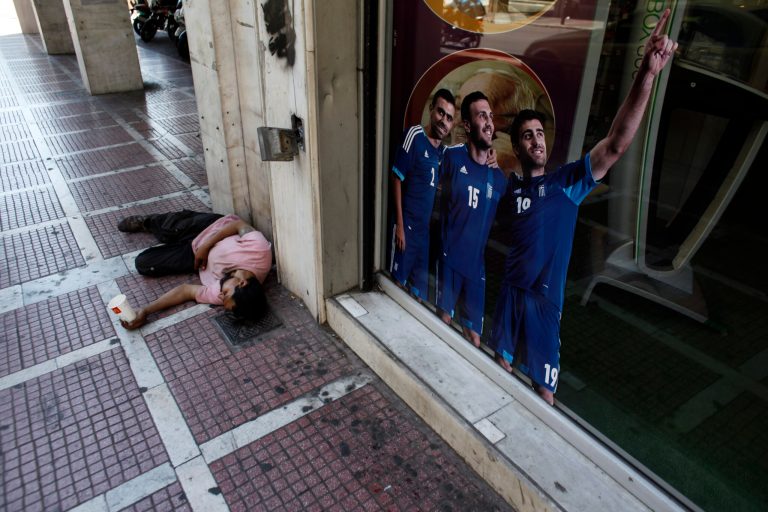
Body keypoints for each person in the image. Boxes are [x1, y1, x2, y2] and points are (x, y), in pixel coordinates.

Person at [489, 8, 678, 405]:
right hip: (509, 296)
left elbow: (616, 143)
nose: (536, 140)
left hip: (544, 305)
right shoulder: (509, 188)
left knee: (544, 396)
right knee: (498, 380)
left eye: (540, 133)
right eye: (527, 136)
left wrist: (646, 75)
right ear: (518, 147)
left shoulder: (566, 184)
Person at [116, 210, 272, 329]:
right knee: (170, 228)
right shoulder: (260, 252)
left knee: (144, 263)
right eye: (225, 294)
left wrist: (145, 310)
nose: (220, 294)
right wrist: (205, 246)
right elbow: (239, 225)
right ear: (243, 283)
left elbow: (186, 291)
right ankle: (148, 222)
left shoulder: (223, 294)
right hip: (214, 229)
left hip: (194, 255)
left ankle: (172, 239)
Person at [437, 91, 508, 348]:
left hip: (476, 270)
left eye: (490, 115)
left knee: (474, 340)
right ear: (467, 125)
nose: (489, 121)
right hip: (449, 261)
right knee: (441, 323)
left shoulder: (498, 179)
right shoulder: (452, 159)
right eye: (481, 115)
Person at [390, 89, 456, 301]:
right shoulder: (415, 135)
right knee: (396, 286)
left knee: (419, 296)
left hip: (424, 234)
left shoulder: (443, 153)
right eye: (440, 112)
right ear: (431, 109)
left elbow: (465, 153)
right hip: (406, 227)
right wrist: (399, 226)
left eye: (449, 118)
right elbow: (396, 178)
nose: (443, 120)